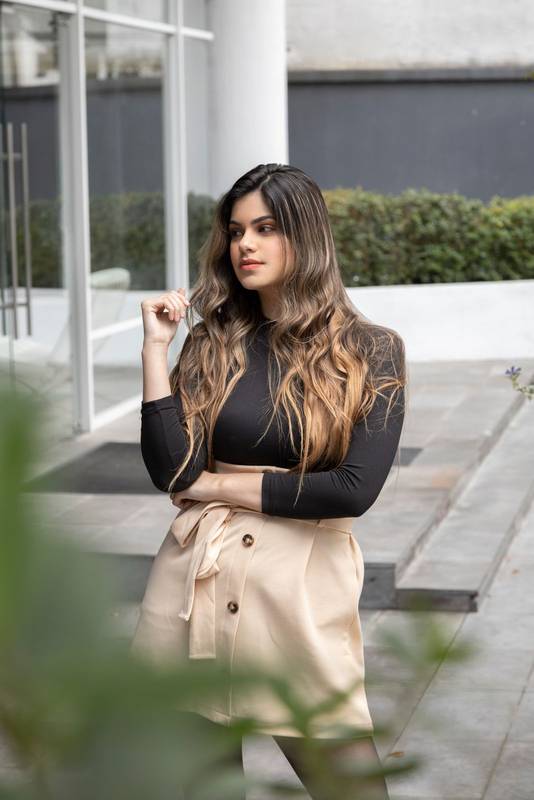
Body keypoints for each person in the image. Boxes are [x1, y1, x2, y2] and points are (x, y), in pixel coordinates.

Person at [130, 163, 407, 799]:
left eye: (266, 228)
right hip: (193, 583)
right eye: (235, 231)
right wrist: (156, 351)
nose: (245, 245)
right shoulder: (210, 342)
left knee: (352, 789)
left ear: (305, 237)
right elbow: (172, 471)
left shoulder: (371, 349)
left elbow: (353, 490)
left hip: (297, 594)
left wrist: (217, 486)